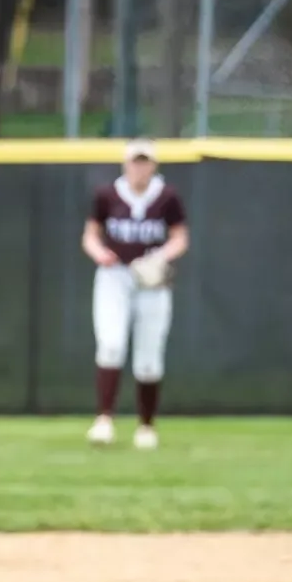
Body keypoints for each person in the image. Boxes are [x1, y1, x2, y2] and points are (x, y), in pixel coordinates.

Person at [82, 137, 189, 449]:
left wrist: (159, 257)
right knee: (111, 345)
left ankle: (146, 426)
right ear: (125, 164)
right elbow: (90, 235)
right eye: (135, 161)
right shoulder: (108, 194)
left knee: (149, 358)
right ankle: (104, 420)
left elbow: (180, 237)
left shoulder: (166, 196)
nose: (139, 168)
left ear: (154, 165)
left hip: (151, 280)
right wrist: (99, 253)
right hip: (114, 276)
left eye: (145, 162)